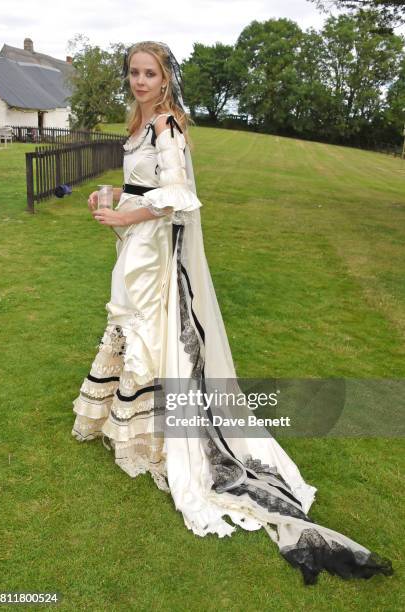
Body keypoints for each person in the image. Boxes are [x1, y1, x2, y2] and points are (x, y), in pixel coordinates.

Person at [71, 41, 393, 585]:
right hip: (138, 246)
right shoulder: (140, 124)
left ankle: (161, 442)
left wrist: (128, 219)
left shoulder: (168, 126)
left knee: (151, 335)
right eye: (134, 72)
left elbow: (178, 195)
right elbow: (143, 184)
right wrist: (110, 193)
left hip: (153, 251)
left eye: (150, 73)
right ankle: (138, 431)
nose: (140, 81)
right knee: (134, 329)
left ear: (166, 79)